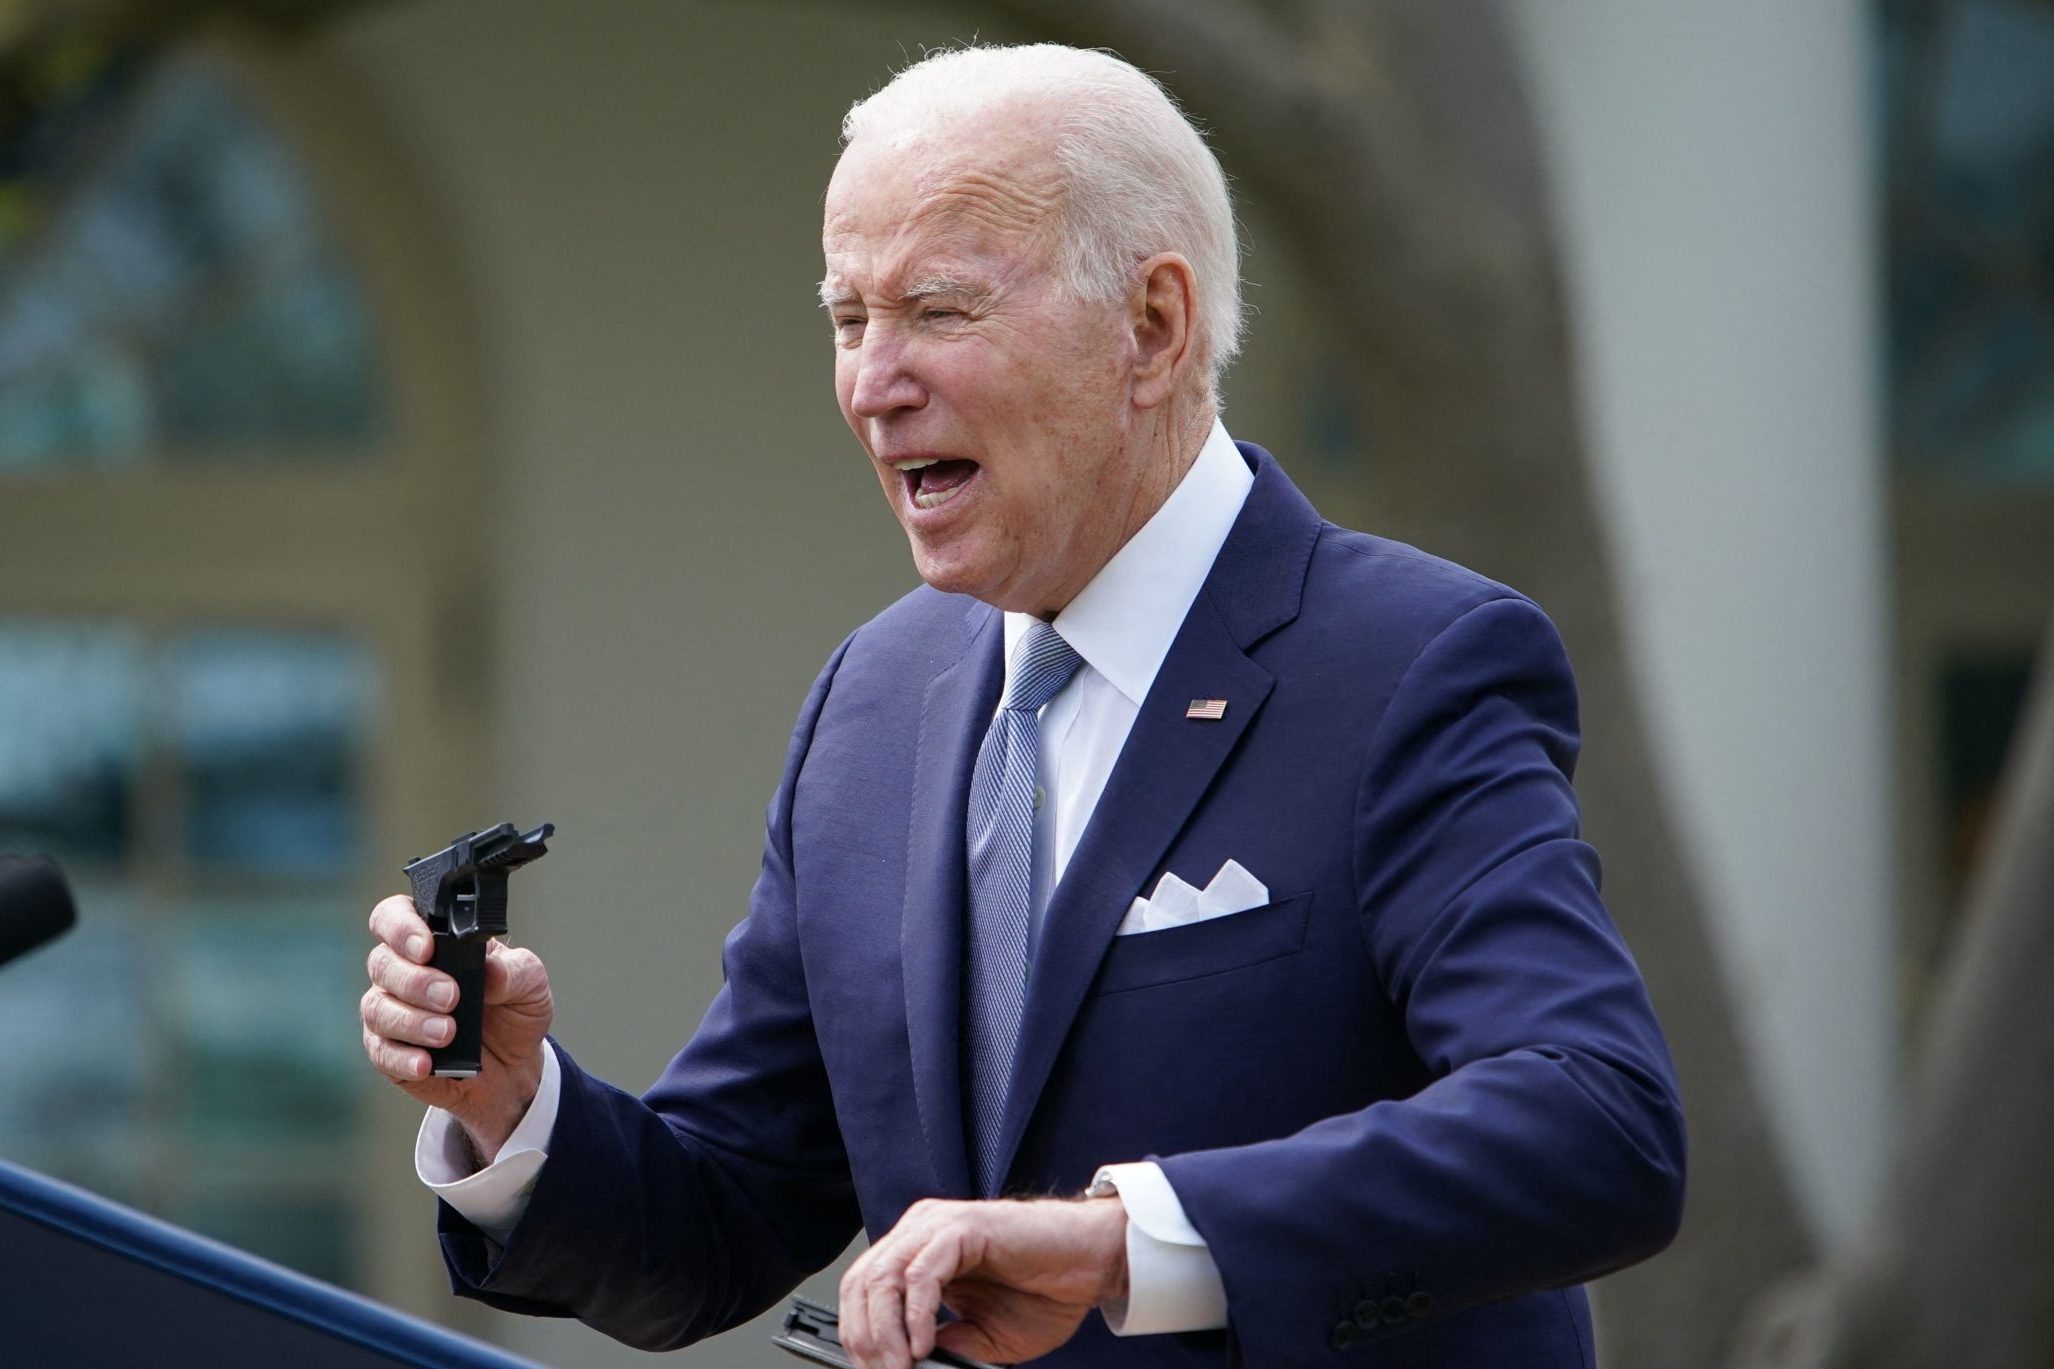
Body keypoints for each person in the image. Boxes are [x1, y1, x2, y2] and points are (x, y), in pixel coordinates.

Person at [359, 43, 1684, 1369]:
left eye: (937, 311)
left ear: (1152, 328)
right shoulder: (869, 707)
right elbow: (716, 1218)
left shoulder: (1411, 662)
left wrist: (1121, 1241)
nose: (874, 382)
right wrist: (512, 1105)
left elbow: (1593, 1121)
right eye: (846, 319)